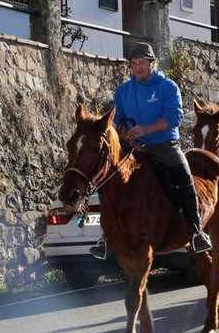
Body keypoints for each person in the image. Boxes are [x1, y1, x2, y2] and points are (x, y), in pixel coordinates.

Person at [90, 42, 212, 260]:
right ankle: (107, 236)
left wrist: (145, 129)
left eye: (142, 63)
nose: (137, 68)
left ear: (152, 63)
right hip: (132, 147)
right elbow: (115, 121)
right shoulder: (123, 90)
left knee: (184, 177)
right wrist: (125, 133)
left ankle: (196, 231)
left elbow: (175, 117)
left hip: (164, 145)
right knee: (108, 181)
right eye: (134, 64)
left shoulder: (168, 87)